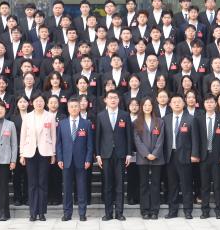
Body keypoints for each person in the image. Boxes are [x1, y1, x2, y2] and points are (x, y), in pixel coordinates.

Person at [94, 90, 132, 221]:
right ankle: (108, 213)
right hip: (106, 154)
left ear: (118, 100)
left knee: (120, 185)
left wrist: (129, 153)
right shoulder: (101, 116)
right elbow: (97, 137)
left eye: (115, 97)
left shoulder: (124, 115)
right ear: (105, 100)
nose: (113, 100)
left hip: (121, 154)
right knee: (107, 185)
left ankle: (119, 213)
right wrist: (98, 155)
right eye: (110, 98)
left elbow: (128, 135)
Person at [163, 94, 202, 219]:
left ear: (183, 103)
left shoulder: (190, 119)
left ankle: (188, 210)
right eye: (174, 102)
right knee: (172, 185)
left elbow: (195, 139)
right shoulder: (165, 119)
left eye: (179, 101)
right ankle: (172, 211)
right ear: (170, 104)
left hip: (185, 156)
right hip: (170, 156)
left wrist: (194, 154)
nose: (176, 104)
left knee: (186, 185)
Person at [18, 95, 56, 222]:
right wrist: (22, 154)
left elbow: (53, 136)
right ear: (32, 103)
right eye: (36, 101)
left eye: (41, 101)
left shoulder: (50, 116)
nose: (39, 103)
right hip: (30, 152)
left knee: (43, 183)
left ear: (45, 103)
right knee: (32, 183)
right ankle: (33, 212)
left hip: (45, 152)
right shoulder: (27, 117)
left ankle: (42, 212)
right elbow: (23, 136)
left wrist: (53, 153)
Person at [56, 97, 94, 221]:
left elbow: (90, 144)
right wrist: (59, 158)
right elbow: (59, 143)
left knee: (82, 188)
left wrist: (88, 159)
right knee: (67, 189)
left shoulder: (86, 123)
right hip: (66, 161)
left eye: (76, 106)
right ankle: (67, 213)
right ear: (68, 108)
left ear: (79, 108)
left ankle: (82, 213)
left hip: (82, 161)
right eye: (71, 106)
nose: (73, 108)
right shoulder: (62, 124)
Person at [134, 97, 165, 219]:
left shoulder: (159, 122)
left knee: (156, 184)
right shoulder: (136, 122)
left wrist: (155, 154)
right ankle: (145, 210)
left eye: (149, 105)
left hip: (157, 158)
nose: (147, 107)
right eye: (145, 105)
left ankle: (154, 210)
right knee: (144, 185)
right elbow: (137, 140)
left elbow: (161, 139)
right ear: (142, 107)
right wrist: (146, 154)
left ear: (153, 107)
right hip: (143, 158)